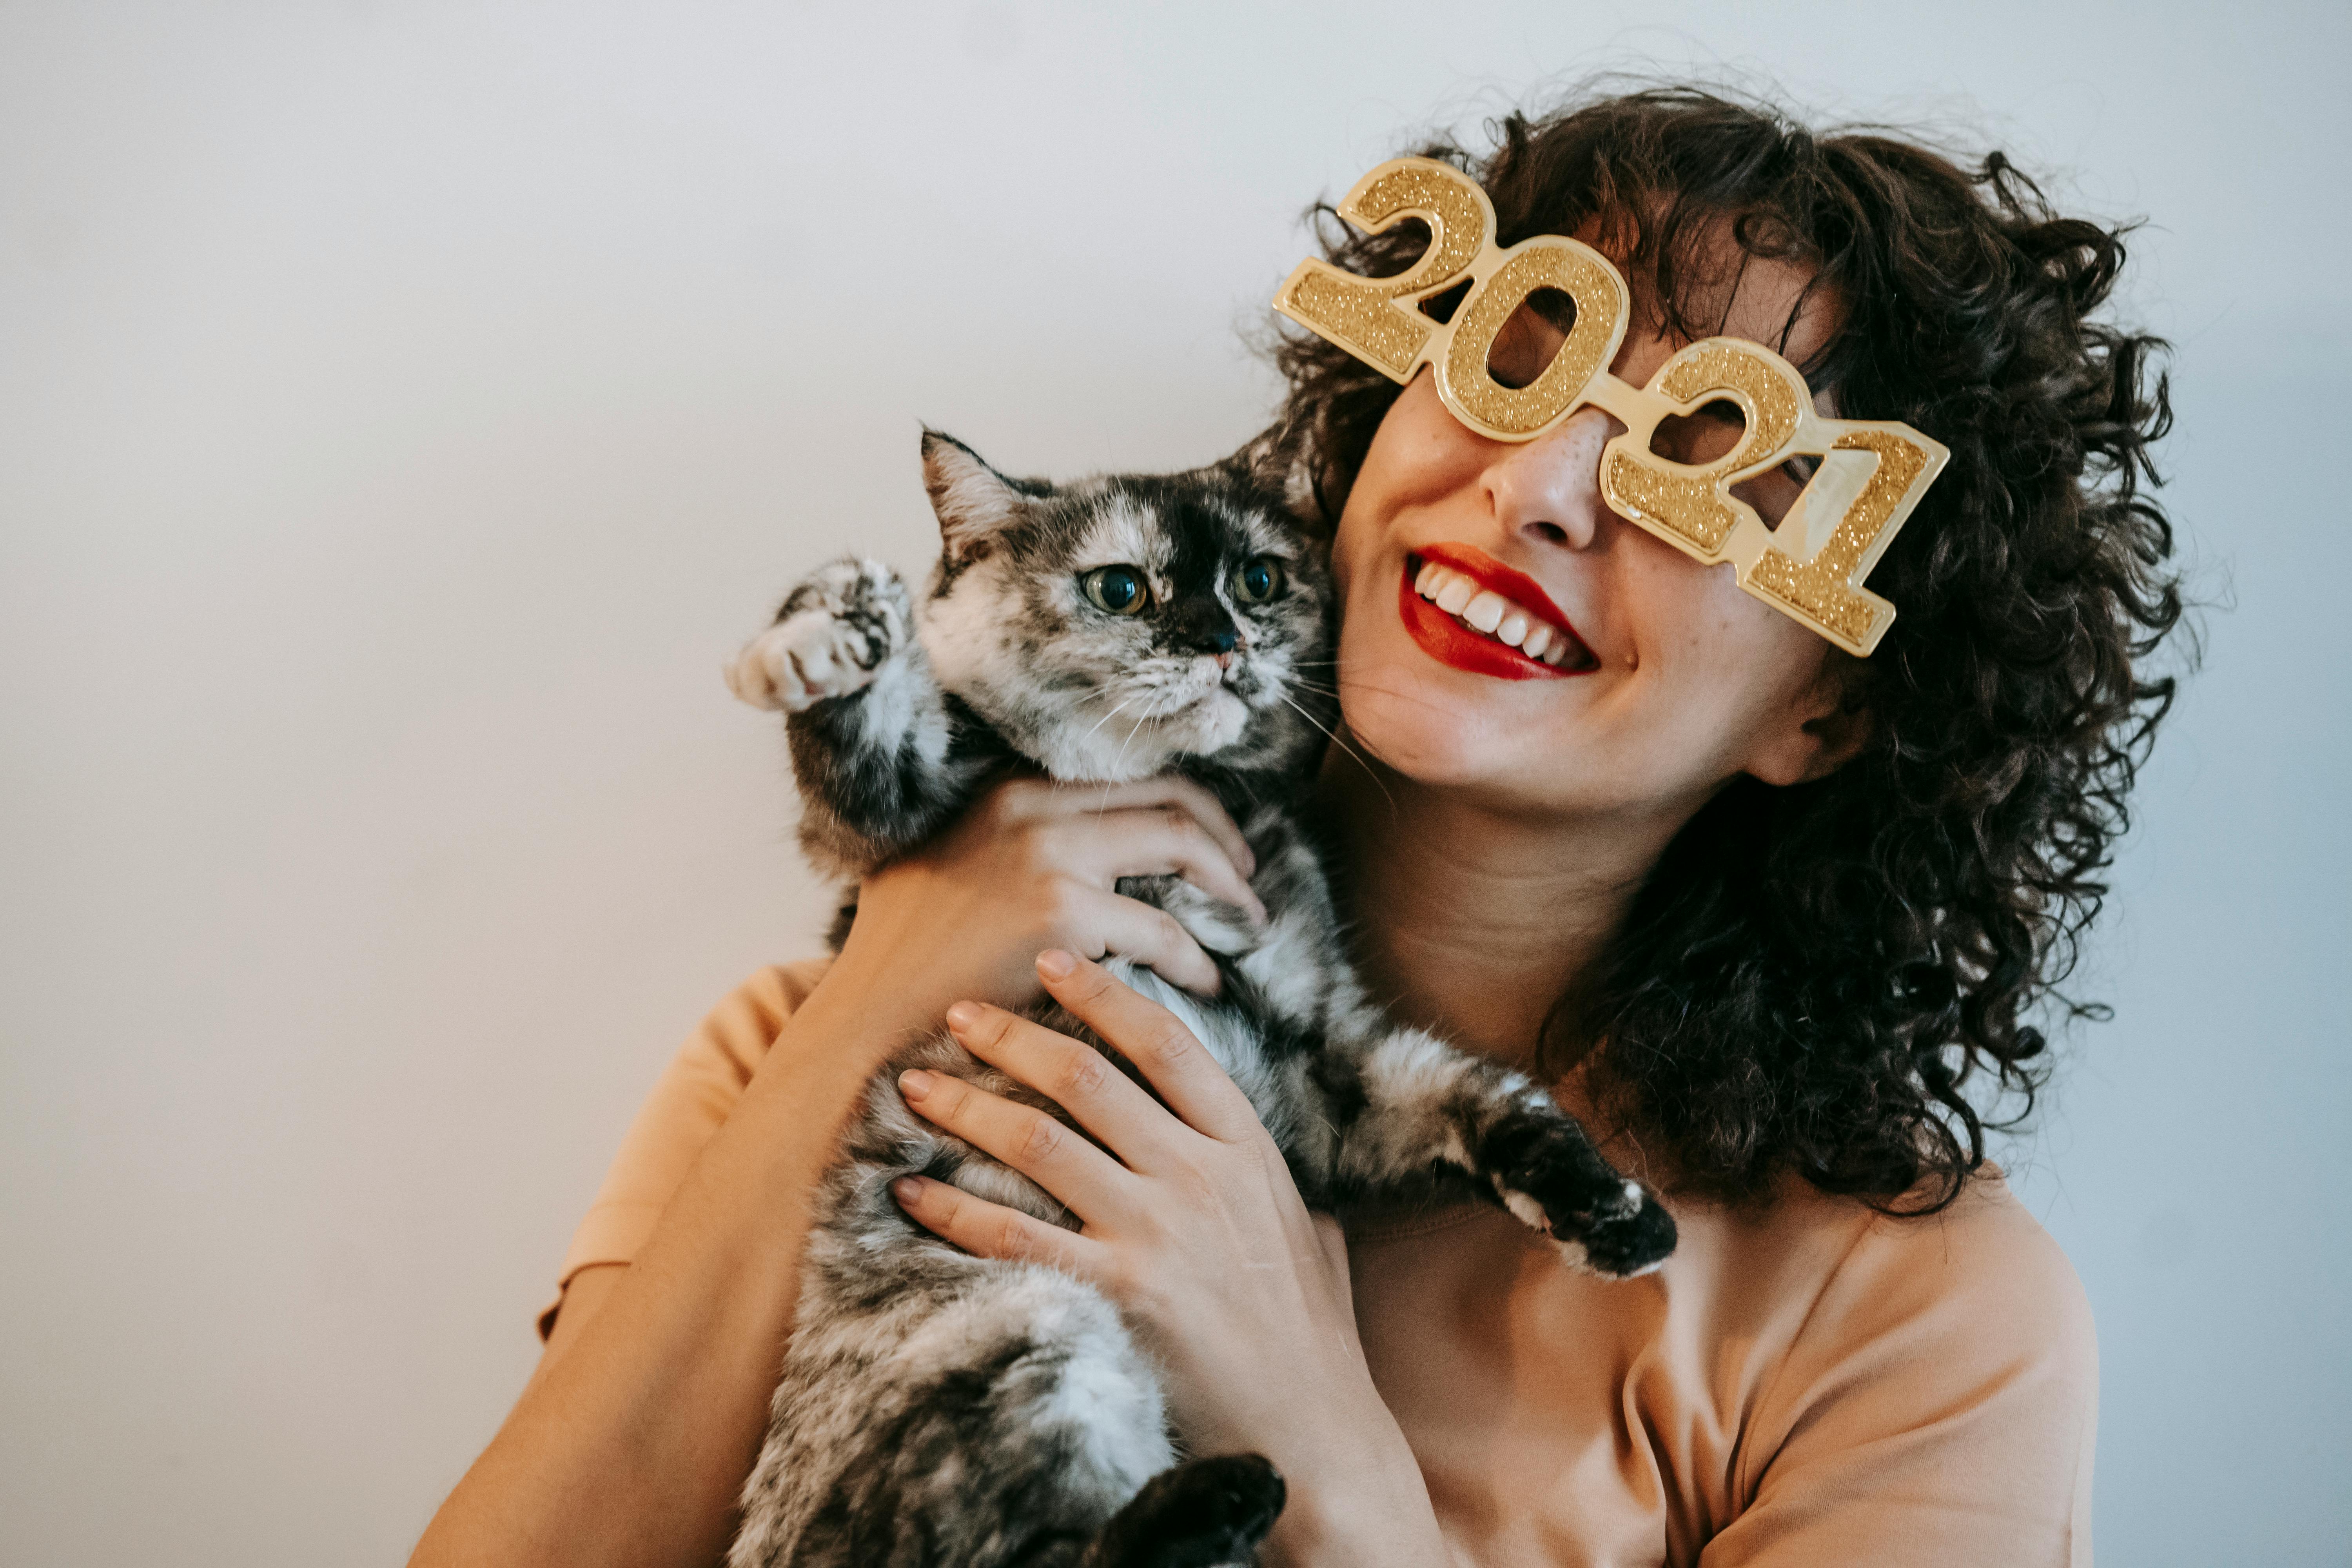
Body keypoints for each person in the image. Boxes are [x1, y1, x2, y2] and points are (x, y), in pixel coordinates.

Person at [411, 85, 2180, 1567]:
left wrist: (1319, 1437)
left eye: (1707, 467)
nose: (1539, 488)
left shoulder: (1914, 1314)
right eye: (1515, 356)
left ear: (1836, 707)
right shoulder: (808, 1047)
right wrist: (884, 984)